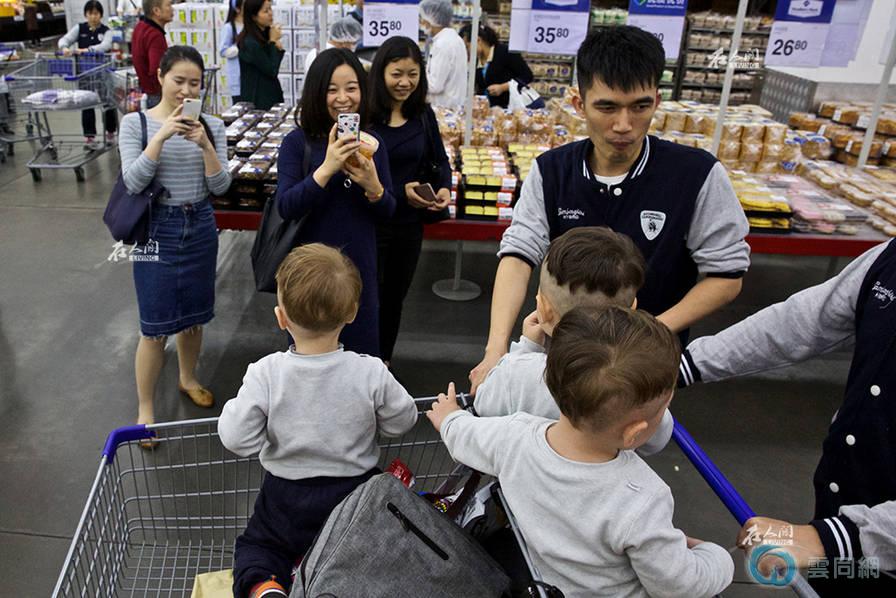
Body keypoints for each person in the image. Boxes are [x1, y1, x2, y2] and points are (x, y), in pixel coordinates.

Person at [469, 26, 750, 393]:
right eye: (607, 107)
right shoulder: (551, 171)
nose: (623, 125)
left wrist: (646, 334)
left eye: (640, 107)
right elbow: (518, 255)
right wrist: (495, 350)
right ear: (578, 103)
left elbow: (726, 275)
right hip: (560, 363)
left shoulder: (697, 174)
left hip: (646, 366)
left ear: (657, 101)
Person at [428, 306, 734, 597]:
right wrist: (717, 557)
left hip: (545, 580)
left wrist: (448, 417)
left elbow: (463, 436)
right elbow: (676, 585)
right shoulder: (642, 499)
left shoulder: (514, 437)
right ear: (634, 433)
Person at [677, 239, 896, 594]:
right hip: (844, 533)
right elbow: (801, 321)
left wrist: (828, 538)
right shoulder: (888, 258)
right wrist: (684, 366)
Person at [220, 244, 417, 598]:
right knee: (360, 552)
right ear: (352, 312)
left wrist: (260, 435)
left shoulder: (266, 374)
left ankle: (266, 586)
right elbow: (403, 419)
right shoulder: (370, 371)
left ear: (281, 317)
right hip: (355, 495)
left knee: (260, 548)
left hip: (285, 498)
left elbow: (236, 438)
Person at [473, 227, 672, 455]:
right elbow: (657, 439)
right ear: (632, 308)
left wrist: (527, 348)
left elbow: (484, 405)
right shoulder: (637, 379)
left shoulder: (517, 372)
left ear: (543, 309)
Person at [118, 46, 230, 431]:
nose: (186, 90)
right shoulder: (136, 124)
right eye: (178, 80)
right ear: (160, 77)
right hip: (156, 228)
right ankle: (145, 408)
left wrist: (205, 145)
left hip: (200, 224)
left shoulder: (212, 126)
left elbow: (221, 186)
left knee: (194, 319)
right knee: (153, 326)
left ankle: (187, 378)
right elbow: (133, 182)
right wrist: (162, 136)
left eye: (194, 83)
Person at [276, 48, 394, 357]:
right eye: (332, 89)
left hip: (359, 274)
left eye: (351, 88)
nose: (343, 98)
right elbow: (286, 206)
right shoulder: (296, 143)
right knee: (308, 363)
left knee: (361, 358)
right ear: (316, 93)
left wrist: (374, 187)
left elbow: (388, 212)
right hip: (308, 277)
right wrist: (327, 168)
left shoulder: (372, 145)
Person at [368, 36, 451, 365]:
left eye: (412, 74)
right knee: (365, 296)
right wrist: (399, 190)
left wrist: (444, 188)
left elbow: (440, 160)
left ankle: (383, 362)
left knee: (394, 298)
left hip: (408, 225)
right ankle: (359, 360)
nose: (405, 82)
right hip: (370, 221)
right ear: (381, 73)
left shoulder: (423, 115)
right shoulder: (365, 116)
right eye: (397, 74)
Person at [57, 0, 117, 150]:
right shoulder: (80, 28)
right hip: (85, 73)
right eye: (90, 13)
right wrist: (64, 48)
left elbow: (105, 46)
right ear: (86, 14)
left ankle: (111, 132)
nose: (93, 17)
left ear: (101, 15)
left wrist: (87, 50)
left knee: (108, 102)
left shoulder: (106, 31)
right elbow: (65, 39)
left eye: (96, 13)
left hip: (103, 72)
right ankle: (89, 137)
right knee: (86, 103)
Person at [459, 23, 533, 109]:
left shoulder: (505, 52)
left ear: (478, 40)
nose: (466, 51)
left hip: (512, 107)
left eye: (467, 47)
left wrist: (503, 87)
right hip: (489, 110)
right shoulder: (475, 60)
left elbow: (527, 76)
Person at [418, 0, 467, 109]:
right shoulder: (454, 39)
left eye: (423, 18)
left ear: (431, 19)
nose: (421, 22)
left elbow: (434, 85)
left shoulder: (442, 44)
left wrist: (415, 75)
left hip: (443, 108)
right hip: (453, 106)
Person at [237, 0, 284, 110]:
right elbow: (271, 70)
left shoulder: (264, 35)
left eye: (270, 9)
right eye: (265, 11)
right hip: (258, 100)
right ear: (254, 16)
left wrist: (275, 44)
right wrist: (273, 42)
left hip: (271, 95)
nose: (270, 13)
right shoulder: (250, 42)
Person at [131, 0, 172, 110]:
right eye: (169, 5)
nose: (172, 9)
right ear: (156, 11)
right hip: (156, 94)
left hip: (147, 90)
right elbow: (156, 69)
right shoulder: (155, 35)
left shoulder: (140, 26)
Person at [302, 17, 363, 81]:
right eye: (354, 43)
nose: (354, 46)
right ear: (345, 40)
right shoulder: (330, 55)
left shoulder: (318, 50)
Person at [218, 0, 243, 105]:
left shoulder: (250, 26)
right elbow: (223, 51)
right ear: (237, 9)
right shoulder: (229, 28)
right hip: (237, 79)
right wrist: (237, 49)